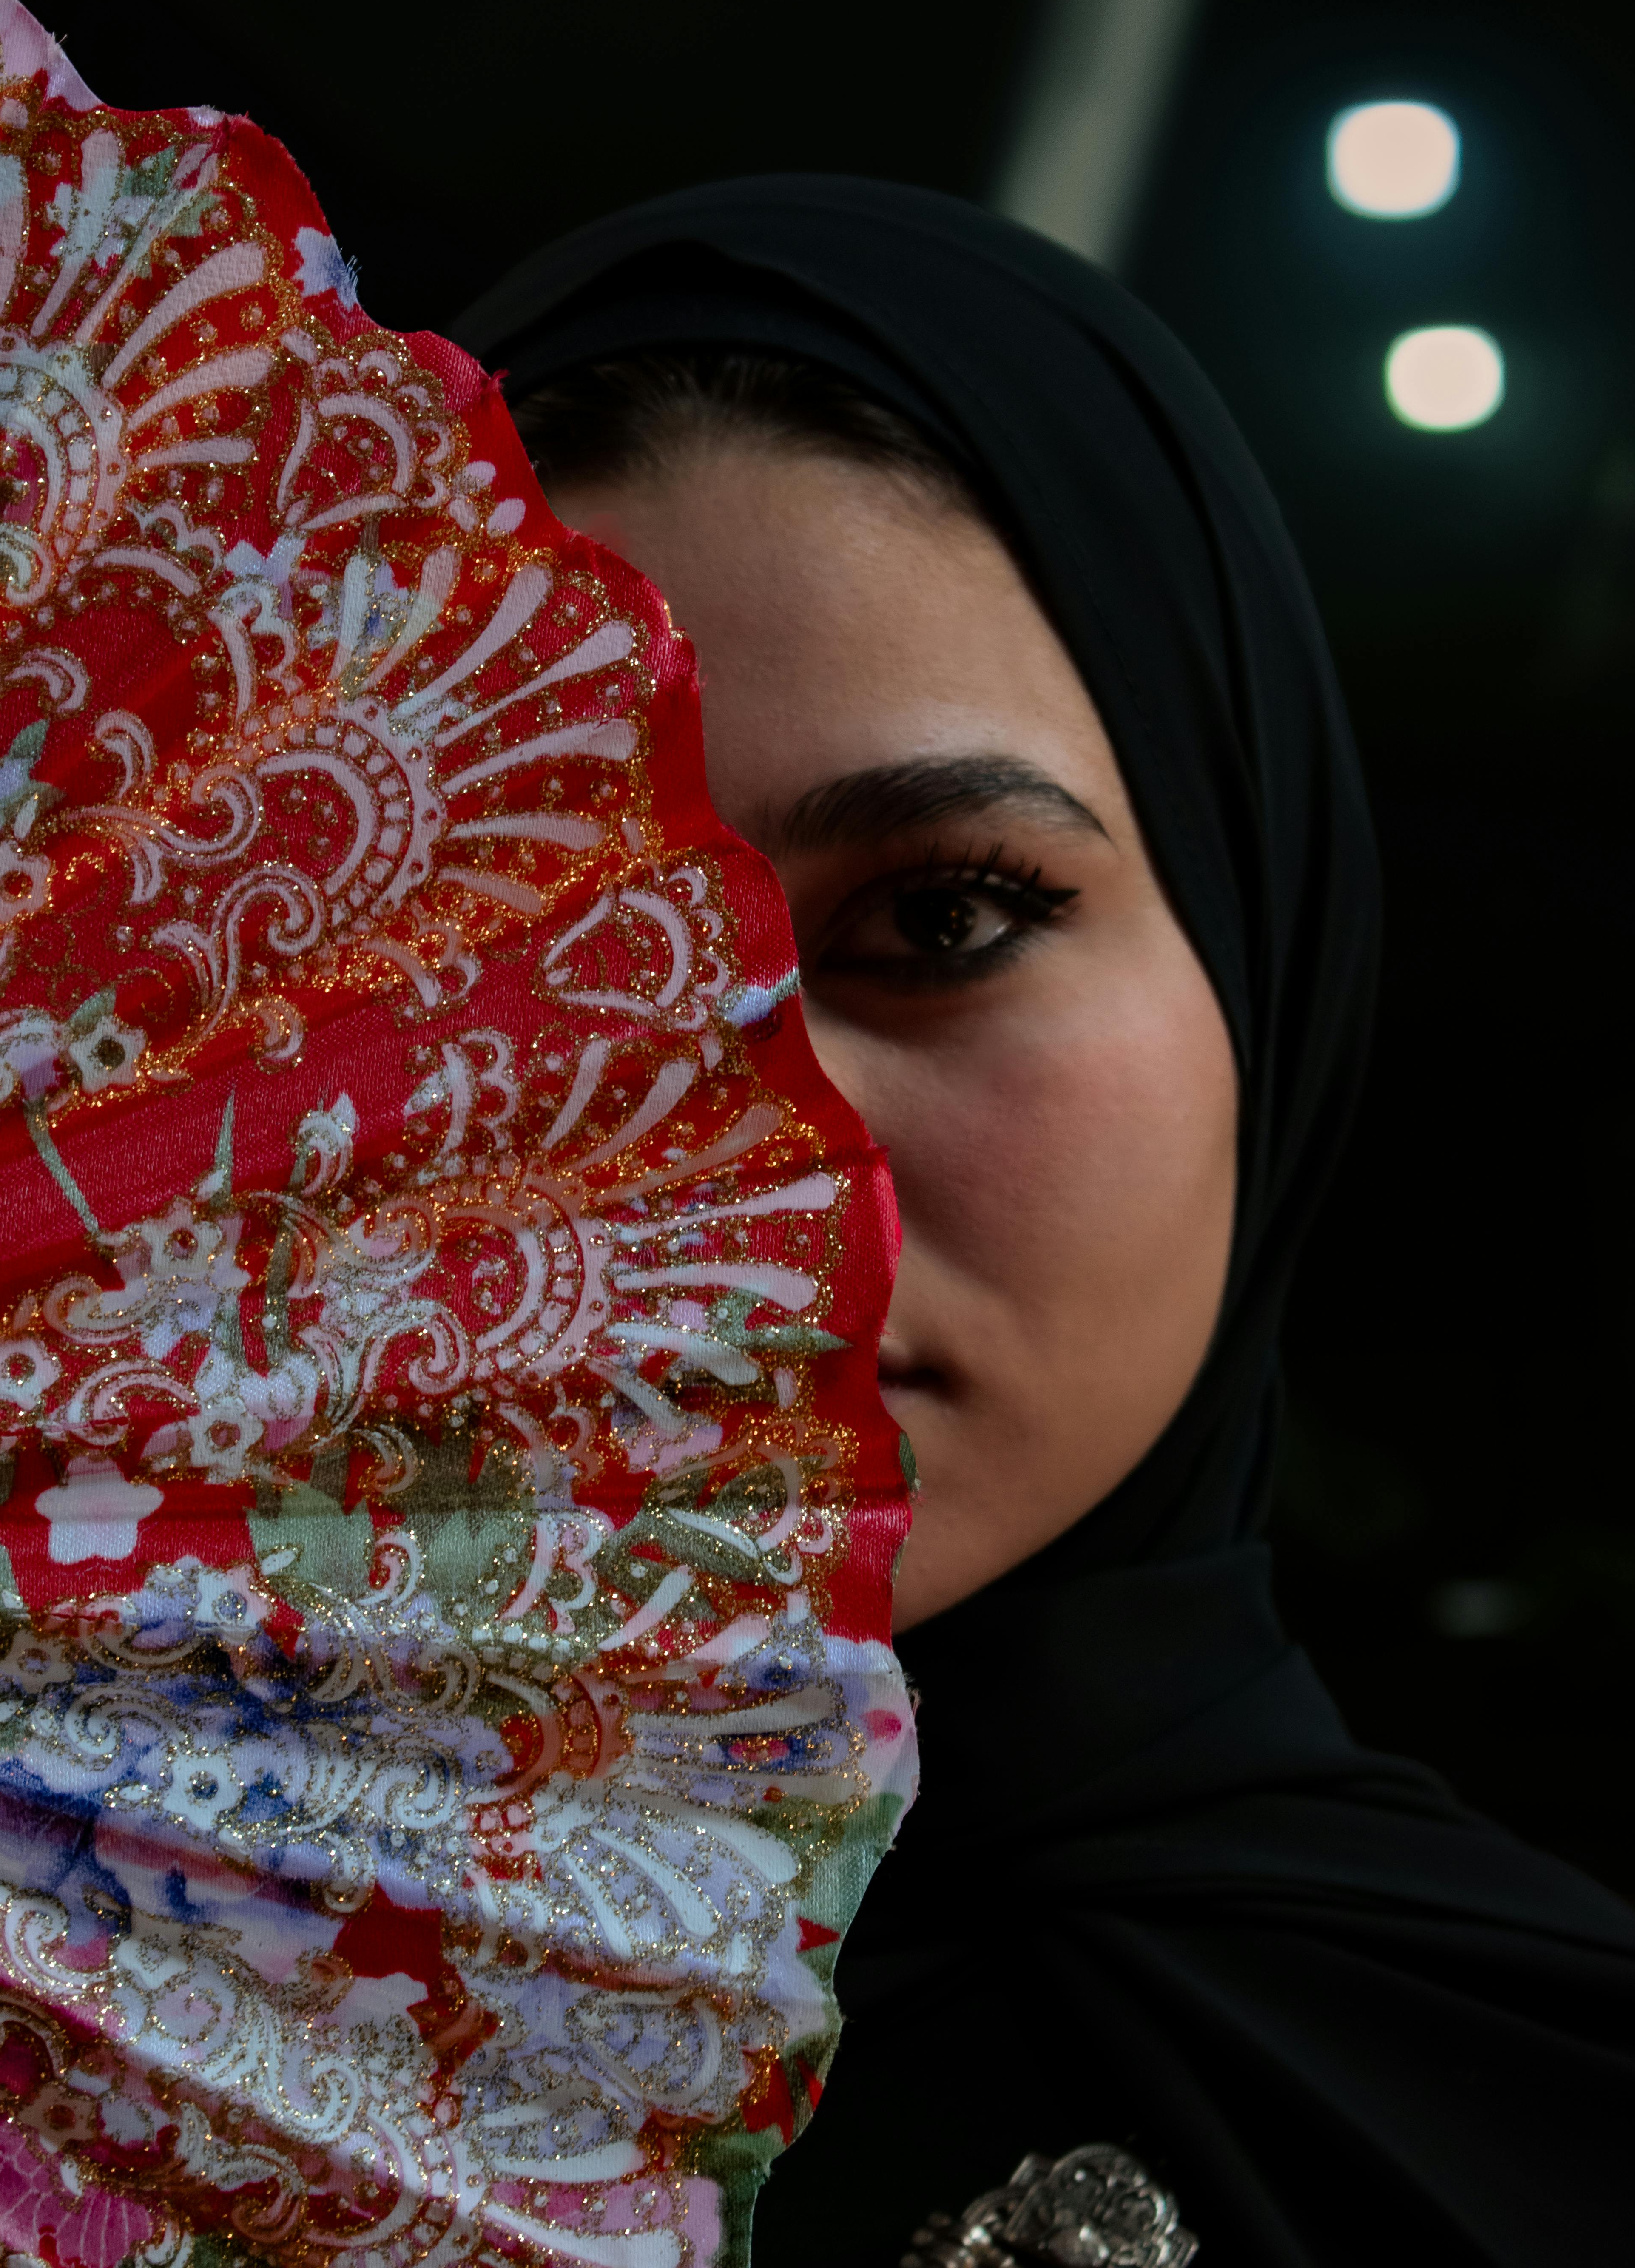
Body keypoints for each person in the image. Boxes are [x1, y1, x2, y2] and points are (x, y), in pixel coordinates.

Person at [457, 176, 1635, 2268]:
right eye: (565, 970)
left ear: (1257, 957)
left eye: (943, 917)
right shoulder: (101, 2064)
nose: (754, 1166)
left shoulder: (1552, 2132)